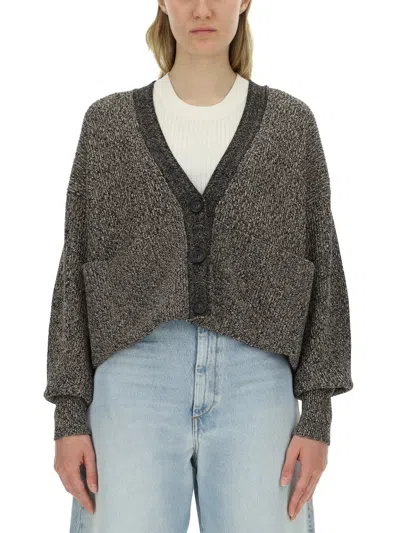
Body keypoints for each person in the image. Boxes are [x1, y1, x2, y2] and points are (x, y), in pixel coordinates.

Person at [44, 1, 353, 532]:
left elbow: (323, 263)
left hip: (258, 381)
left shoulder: (290, 125)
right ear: (163, 2)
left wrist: (319, 412)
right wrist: (69, 412)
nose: (202, 9)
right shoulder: (108, 124)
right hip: (134, 378)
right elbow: (75, 265)